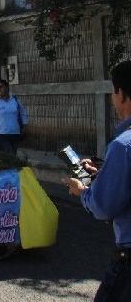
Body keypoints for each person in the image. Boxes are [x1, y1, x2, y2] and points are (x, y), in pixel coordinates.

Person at [64, 60, 131, 301]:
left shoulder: (123, 145)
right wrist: (102, 173)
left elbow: (103, 207)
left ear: (121, 94)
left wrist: (83, 190)